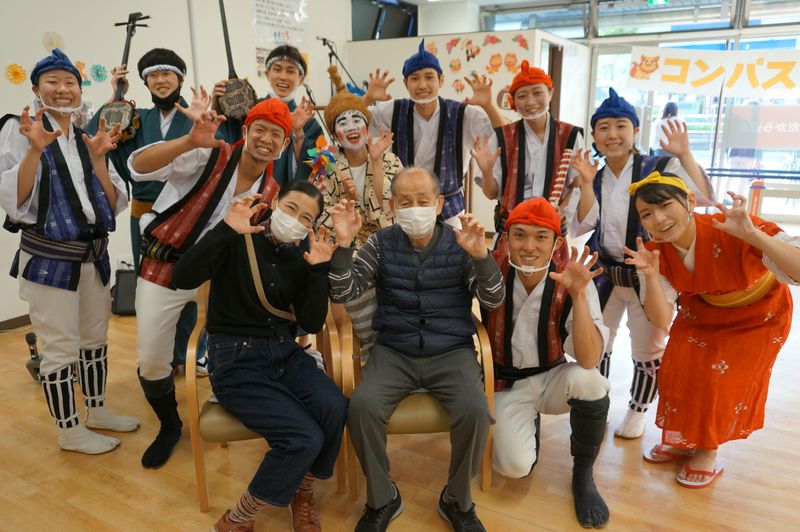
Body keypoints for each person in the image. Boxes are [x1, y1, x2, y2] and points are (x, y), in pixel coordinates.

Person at [329, 167, 505, 532]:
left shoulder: (461, 243)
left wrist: (481, 256)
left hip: (451, 351)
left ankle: (457, 500)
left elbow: (493, 300)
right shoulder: (380, 243)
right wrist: (344, 246)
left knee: (475, 410)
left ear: (439, 204)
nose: (414, 208)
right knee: (361, 407)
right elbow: (344, 292)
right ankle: (382, 498)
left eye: (423, 200)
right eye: (405, 201)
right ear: (393, 206)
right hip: (394, 351)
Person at [172, 181, 347, 532]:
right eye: (292, 208)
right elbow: (182, 276)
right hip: (234, 357)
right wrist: (224, 229)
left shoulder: (301, 255)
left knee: (334, 406)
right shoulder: (238, 236)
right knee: (303, 437)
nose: (296, 220)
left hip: (284, 351)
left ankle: (303, 490)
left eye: (306, 217)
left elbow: (311, 322)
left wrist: (318, 270)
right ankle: (238, 518)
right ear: (276, 202)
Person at [127, 96, 291, 468]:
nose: (266, 139)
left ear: (283, 146)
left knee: (227, 352)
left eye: (276, 135)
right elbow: (138, 167)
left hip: (218, 279)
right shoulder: (208, 154)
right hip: (165, 266)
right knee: (151, 359)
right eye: (260, 129)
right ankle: (170, 424)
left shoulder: (271, 191)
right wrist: (188, 141)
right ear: (246, 130)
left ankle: (234, 405)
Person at [0, 49, 138, 454]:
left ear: (79, 89)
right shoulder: (18, 130)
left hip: (93, 256)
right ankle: (70, 430)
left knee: (95, 338)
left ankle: (96, 410)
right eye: (53, 82)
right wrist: (34, 150)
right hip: (49, 260)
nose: (62, 90)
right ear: (36, 88)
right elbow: (14, 202)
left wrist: (99, 160)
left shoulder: (84, 135)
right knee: (60, 348)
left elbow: (113, 202)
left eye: (70, 83)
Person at [625, 172, 798, 488]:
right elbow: (661, 319)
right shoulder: (654, 252)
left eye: (665, 205)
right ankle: (684, 439)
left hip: (759, 316)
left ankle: (707, 450)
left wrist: (753, 235)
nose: (658, 219)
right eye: (646, 214)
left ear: (690, 201)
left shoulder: (732, 225)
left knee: (716, 378)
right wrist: (650, 275)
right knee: (676, 368)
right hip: (703, 310)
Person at [571, 88, 714, 439]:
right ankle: (599, 402)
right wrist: (586, 183)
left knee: (648, 348)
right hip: (606, 271)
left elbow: (703, 197)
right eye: (603, 128)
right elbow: (584, 223)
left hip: (649, 272)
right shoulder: (596, 174)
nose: (612, 135)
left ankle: (638, 409)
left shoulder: (660, 166)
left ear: (635, 131)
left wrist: (685, 154)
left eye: (621, 126)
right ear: (594, 136)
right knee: (597, 342)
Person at [487, 198, 611, 528]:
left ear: (556, 243)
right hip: (507, 382)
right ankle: (528, 424)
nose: (529, 247)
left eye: (541, 237)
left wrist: (579, 295)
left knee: (591, 382)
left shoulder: (573, 277)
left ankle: (583, 474)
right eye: (519, 235)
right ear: (506, 238)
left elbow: (588, 359)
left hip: (554, 375)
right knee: (513, 468)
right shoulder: (490, 272)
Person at [87, 48, 208, 376]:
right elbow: (95, 136)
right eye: (153, 75)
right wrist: (115, 96)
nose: (160, 80)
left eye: (167, 74)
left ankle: (192, 352)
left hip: (188, 216)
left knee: (191, 283)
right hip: (145, 218)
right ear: (145, 82)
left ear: (179, 78)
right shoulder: (136, 118)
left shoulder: (195, 116)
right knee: (151, 285)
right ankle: (159, 354)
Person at [363, 40, 501, 227]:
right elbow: (350, 123)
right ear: (405, 83)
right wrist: (368, 99)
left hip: (450, 209)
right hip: (406, 206)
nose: (422, 85)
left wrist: (489, 106)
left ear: (441, 80)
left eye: (429, 77)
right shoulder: (393, 110)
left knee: (452, 246)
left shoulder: (464, 114)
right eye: (414, 78)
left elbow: (504, 138)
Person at [317, 65, 401, 352]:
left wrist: (375, 162)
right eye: (342, 123)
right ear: (334, 134)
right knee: (343, 272)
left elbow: (390, 207)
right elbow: (323, 214)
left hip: (385, 238)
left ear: (367, 126)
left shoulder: (389, 160)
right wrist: (347, 206)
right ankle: (362, 345)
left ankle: (391, 341)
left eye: (357, 120)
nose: (351, 127)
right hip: (346, 242)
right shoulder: (328, 168)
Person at [472, 60, 584, 231]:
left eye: (537, 93)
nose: (530, 102)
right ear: (514, 101)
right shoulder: (503, 136)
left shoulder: (570, 135)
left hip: (551, 227)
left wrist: (562, 209)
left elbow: (577, 183)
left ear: (551, 93)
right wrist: (487, 172)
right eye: (522, 96)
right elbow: (491, 194)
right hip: (511, 227)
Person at [213, 44, 321, 186]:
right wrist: (217, 105)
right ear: (267, 74)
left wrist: (298, 133)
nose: (283, 77)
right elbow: (223, 143)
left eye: (290, 71)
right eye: (277, 69)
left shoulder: (310, 124)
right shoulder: (248, 110)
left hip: (284, 196)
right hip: (243, 189)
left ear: (301, 79)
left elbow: (313, 169)